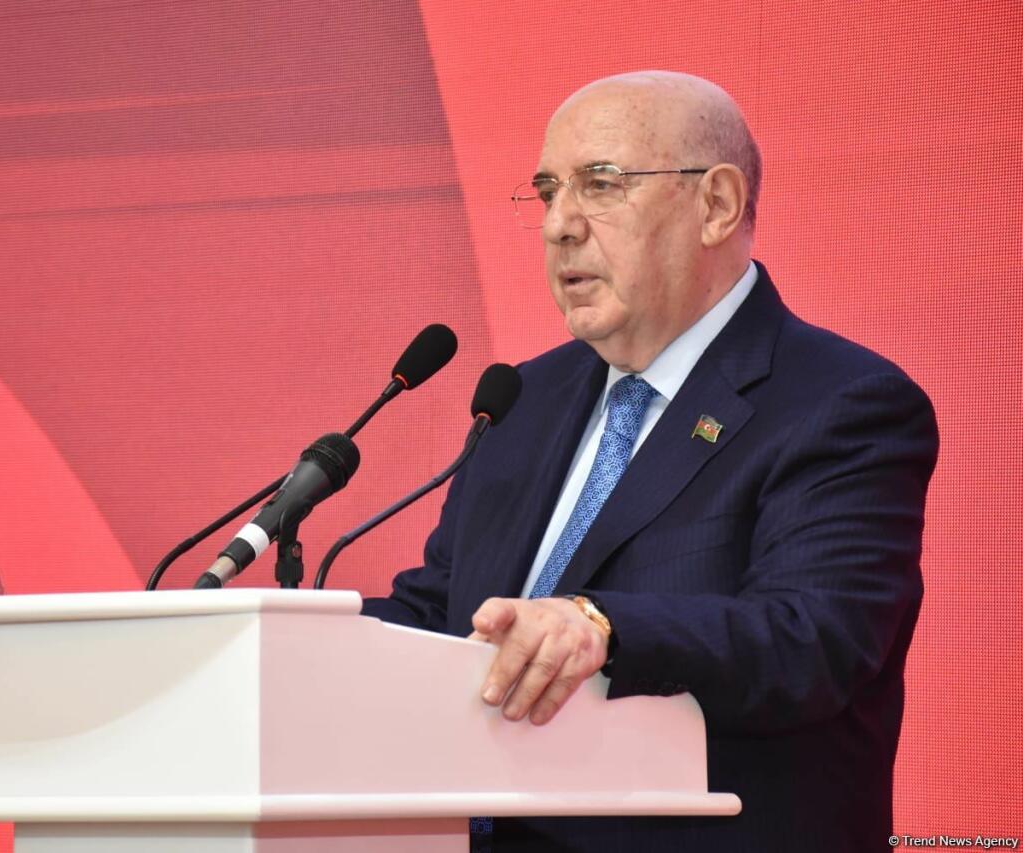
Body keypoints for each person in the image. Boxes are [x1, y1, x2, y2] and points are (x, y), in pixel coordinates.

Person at [361, 71, 938, 853]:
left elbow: (812, 638)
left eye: (600, 184)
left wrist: (601, 624)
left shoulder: (840, 403)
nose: (558, 225)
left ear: (716, 205)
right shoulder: (522, 399)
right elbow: (446, 617)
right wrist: (271, 641)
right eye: (547, 191)